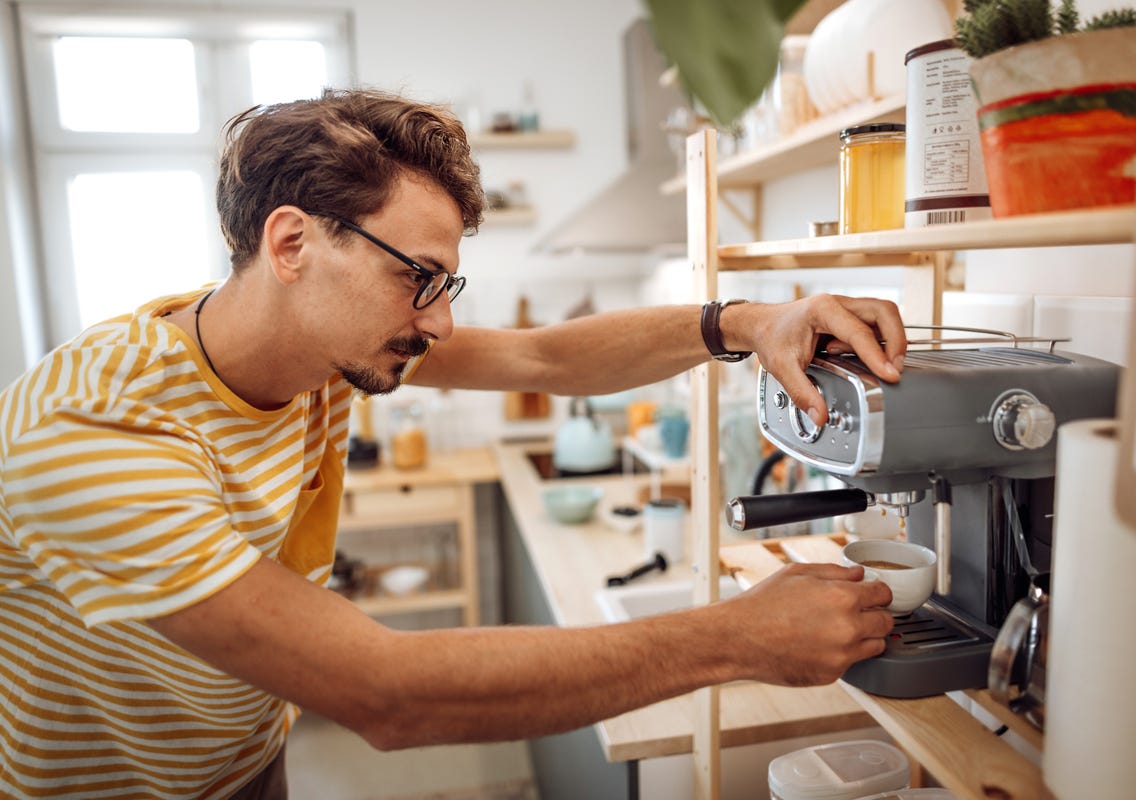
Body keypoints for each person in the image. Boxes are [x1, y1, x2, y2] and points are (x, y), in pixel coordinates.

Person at [0, 88, 908, 799]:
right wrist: (737, 639)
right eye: (418, 278)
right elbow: (386, 692)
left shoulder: (312, 341)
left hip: (242, 766)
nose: (438, 323)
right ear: (291, 243)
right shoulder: (93, 431)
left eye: (447, 283)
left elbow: (542, 354)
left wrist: (753, 320)